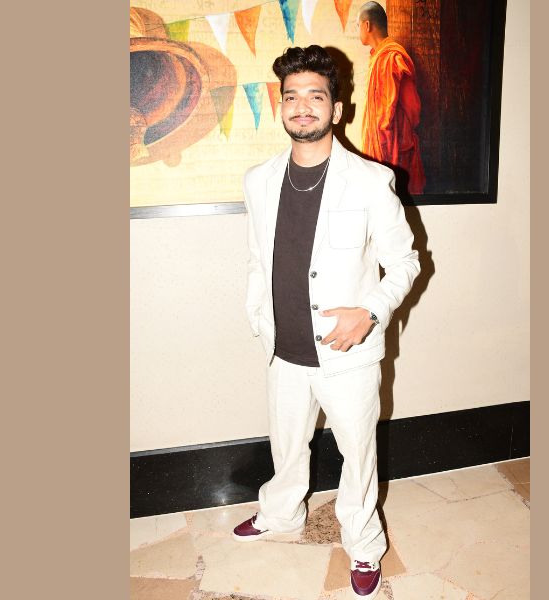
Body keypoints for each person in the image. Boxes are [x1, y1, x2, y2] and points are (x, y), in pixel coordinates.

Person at [234, 45, 420, 599]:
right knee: (286, 445)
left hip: (347, 350)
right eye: (292, 97)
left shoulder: (370, 180)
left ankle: (363, 544)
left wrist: (371, 311)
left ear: (337, 109)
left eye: (315, 96)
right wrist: (257, 316)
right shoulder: (258, 180)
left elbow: (406, 262)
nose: (302, 107)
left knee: (357, 456)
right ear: (281, 107)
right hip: (283, 346)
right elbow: (258, 257)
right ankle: (281, 512)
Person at [358, 1, 426, 195]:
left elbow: (413, 109)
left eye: (357, 25)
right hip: (376, 149)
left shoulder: (393, 58)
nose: (357, 31)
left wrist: (398, 135)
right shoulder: (377, 57)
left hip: (395, 148)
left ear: (367, 25)